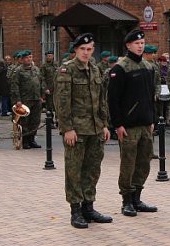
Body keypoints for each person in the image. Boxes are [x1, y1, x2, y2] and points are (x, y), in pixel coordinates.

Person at [55, 33, 112, 229]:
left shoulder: (95, 70)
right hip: (76, 131)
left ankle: (89, 207)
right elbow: (61, 102)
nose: (86, 53)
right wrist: (67, 128)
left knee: (92, 169)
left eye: (89, 49)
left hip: (95, 129)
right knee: (74, 170)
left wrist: (104, 124)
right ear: (76, 50)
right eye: (82, 49)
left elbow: (101, 100)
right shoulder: (67, 70)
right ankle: (76, 210)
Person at [107, 29, 160, 216]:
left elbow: (150, 96)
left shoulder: (148, 66)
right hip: (128, 126)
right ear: (128, 45)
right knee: (128, 163)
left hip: (145, 123)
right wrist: (118, 125)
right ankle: (126, 200)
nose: (140, 46)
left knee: (144, 161)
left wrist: (152, 119)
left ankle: (137, 197)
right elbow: (113, 100)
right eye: (137, 43)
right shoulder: (120, 68)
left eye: (142, 43)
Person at [10, 51, 45, 149]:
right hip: (25, 99)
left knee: (35, 120)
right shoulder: (18, 71)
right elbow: (14, 86)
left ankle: (32, 139)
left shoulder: (36, 69)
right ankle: (25, 141)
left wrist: (42, 96)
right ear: (22, 59)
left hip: (36, 98)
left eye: (30, 57)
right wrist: (18, 100)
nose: (29, 59)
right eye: (27, 57)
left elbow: (41, 82)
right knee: (24, 121)